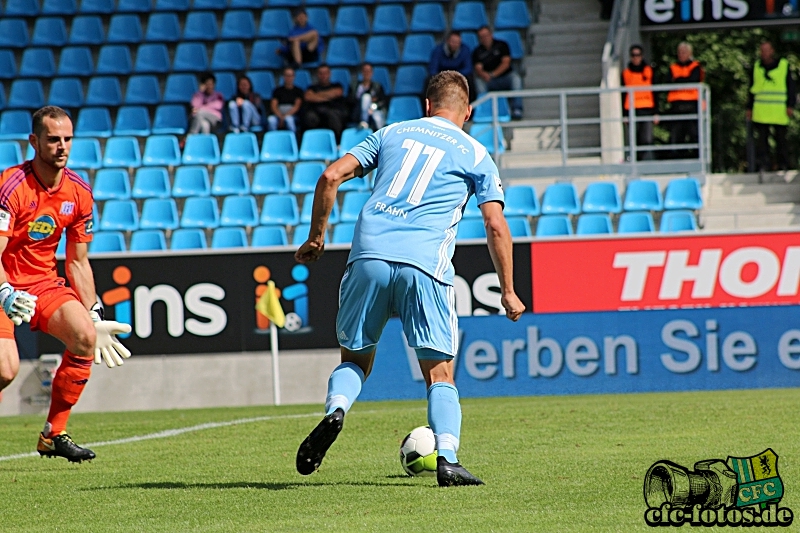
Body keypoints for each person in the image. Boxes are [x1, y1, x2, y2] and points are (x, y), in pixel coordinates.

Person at [293, 71, 526, 487]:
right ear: (467, 112)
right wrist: (507, 289)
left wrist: (316, 237)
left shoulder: (391, 133)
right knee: (440, 373)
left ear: (426, 106)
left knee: (355, 359)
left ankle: (338, 408)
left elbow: (330, 176)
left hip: (369, 256)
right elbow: (494, 224)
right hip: (425, 265)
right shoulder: (476, 154)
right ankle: (449, 458)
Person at [0, 106, 131, 462]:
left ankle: (53, 434)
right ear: (33, 141)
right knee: (4, 369)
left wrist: (94, 310)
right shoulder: (10, 186)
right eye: (53, 139)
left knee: (85, 336)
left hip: (42, 283)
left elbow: (77, 261)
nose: (62, 147)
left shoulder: (80, 192)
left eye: (67, 139)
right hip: (3, 282)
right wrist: (5, 292)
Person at [746, 40, 796, 171]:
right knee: (762, 142)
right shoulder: (756, 67)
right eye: (762, 50)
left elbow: (791, 87)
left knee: (781, 140)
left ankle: (783, 164)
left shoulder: (784, 65)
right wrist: (749, 108)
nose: (764, 53)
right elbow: (751, 89)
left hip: (779, 111)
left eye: (767, 50)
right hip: (761, 111)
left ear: (772, 51)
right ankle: (763, 164)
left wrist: (790, 105)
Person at [472, 26, 523, 120]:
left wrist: (492, 74)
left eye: (486, 35)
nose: (484, 38)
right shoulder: (477, 51)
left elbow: (506, 63)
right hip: (488, 80)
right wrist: (484, 75)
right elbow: (478, 68)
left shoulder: (502, 45)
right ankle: (484, 110)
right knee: (479, 82)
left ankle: (517, 108)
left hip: (505, 77)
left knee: (516, 79)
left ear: (491, 34)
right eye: (481, 36)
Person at [666, 42, 704, 158]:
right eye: (680, 52)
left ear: (690, 53)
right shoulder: (673, 67)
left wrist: (678, 81)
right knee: (677, 136)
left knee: (694, 135)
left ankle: (697, 158)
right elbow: (668, 82)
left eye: (684, 52)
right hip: (677, 106)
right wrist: (684, 81)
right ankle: (677, 160)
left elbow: (693, 80)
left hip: (692, 105)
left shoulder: (696, 66)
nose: (681, 55)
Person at [621, 45, 657, 161]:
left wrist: (656, 112)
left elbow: (655, 92)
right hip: (631, 109)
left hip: (646, 108)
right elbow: (622, 94)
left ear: (642, 56)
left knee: (646, 138)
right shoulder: (626, 73)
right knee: (633, 138)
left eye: (638, 55)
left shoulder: (649, 71)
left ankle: (643, 160)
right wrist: (624, 114)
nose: (636, 58)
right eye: (633, 55)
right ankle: (635, 160)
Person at [303, 64, 348, 142]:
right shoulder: (312, 87)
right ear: (317, 75)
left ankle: (337, 142)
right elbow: (308, 97)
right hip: (316, 112)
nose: (323, 75)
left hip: (333, 111)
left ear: (329, 74)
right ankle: (313, 142)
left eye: (325, 73)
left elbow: (337, 93)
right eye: (321, 73)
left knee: (333, 115)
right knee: (310, 117)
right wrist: (329, 96)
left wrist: (317, 95)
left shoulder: (336, 85)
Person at [428, 31, 475, 102]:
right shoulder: (437, 50)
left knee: (470, 79)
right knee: (428, 81)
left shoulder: (465, 50)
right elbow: (433, 69)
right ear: (447, 41)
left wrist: (455, 76)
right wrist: (444, 77)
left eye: (457, 42)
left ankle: (470, 107)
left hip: (458, 75)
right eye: (453, 42)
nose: (455, 44)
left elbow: (468, 68)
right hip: (442, 75)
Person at [350, 63, 388, 131]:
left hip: (373, 110)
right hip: (358, 112)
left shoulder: (377, 86)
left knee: (377, 116)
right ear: (361, 72)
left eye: (368, 71)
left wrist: (373, 106)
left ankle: (381, 134)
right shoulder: (354, 86)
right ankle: (364, 121)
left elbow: (382, 101)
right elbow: (350, 101)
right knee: (366, 97)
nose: (366, 73)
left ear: (372, 73)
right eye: (365, 71)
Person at [268, 67, 304, 134]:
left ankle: (293, 139)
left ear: (294, 77)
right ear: (283, 77)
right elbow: (273, 106)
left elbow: (296, 106)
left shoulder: (298, 91)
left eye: (290, 76)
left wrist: (285, 116)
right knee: (271, 120)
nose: (289, 78)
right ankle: (272, 140)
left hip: (292, 115)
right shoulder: (277, 90)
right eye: (287, 75)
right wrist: (280, 116)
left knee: (289, 120)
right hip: (279, 114)